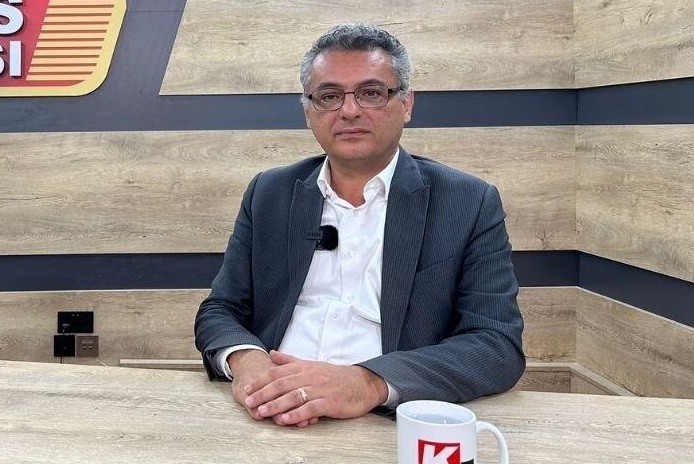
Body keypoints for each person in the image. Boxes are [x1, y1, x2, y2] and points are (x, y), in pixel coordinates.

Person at [194, 23, 525, 428]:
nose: (349, 110)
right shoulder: (269, 193)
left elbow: (495, 345)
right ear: (308, 112)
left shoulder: (467, 202)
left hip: (386, 421)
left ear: (406, 104)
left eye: (371, 93)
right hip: (264, 410)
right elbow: (221, 309)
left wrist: (367, 383)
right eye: (329, 96)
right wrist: (247, 361)